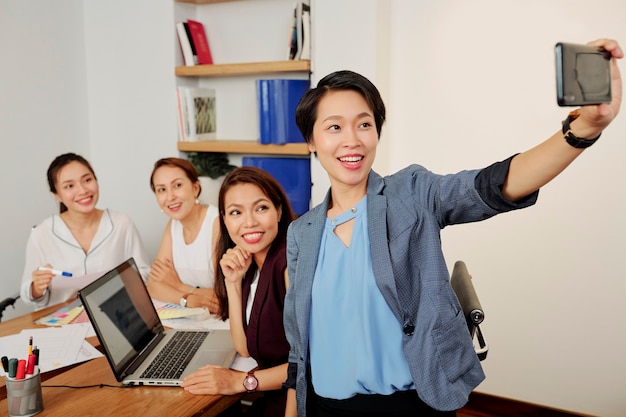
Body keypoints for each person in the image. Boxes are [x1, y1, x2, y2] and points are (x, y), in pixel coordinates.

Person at [283, 39, 623, 417]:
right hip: (326, 405)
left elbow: (493, 185)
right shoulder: (302, 234)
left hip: (412, 402)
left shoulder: (411, 192)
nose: (353, 139)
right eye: (334, 127)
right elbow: (300, 348)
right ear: (312, 140)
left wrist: (583, 129)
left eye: (364, 124)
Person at [182, 166, 294, 417]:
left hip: (301, 401)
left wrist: (241, 382)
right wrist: (233, 284)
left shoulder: (290, 264)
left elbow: (312, 364)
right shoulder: (250, 264)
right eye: (236, 212)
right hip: (275, 394)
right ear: (224, 220)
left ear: (278, 211)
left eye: (261, 208)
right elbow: (245, 348)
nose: (250, 222)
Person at [20, 153, 150, 310]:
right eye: (69, 186)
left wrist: (117, 287)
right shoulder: (41, 234)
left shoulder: (122, 223)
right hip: (61, 324)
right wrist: (37, 287)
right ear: (57, 195)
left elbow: (144, 273)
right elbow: (27, 294)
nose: (82, 190)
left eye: (87, 180)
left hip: (115, 317)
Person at [149, 157, 220, 313]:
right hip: (194, 318)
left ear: (195, 188)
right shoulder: (173, 225)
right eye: (162, 189)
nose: (170, 196)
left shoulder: (217, 224)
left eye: (177, 185)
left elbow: (224, 297)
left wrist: (178, 286)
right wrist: (187, 299)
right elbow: (153, 286)